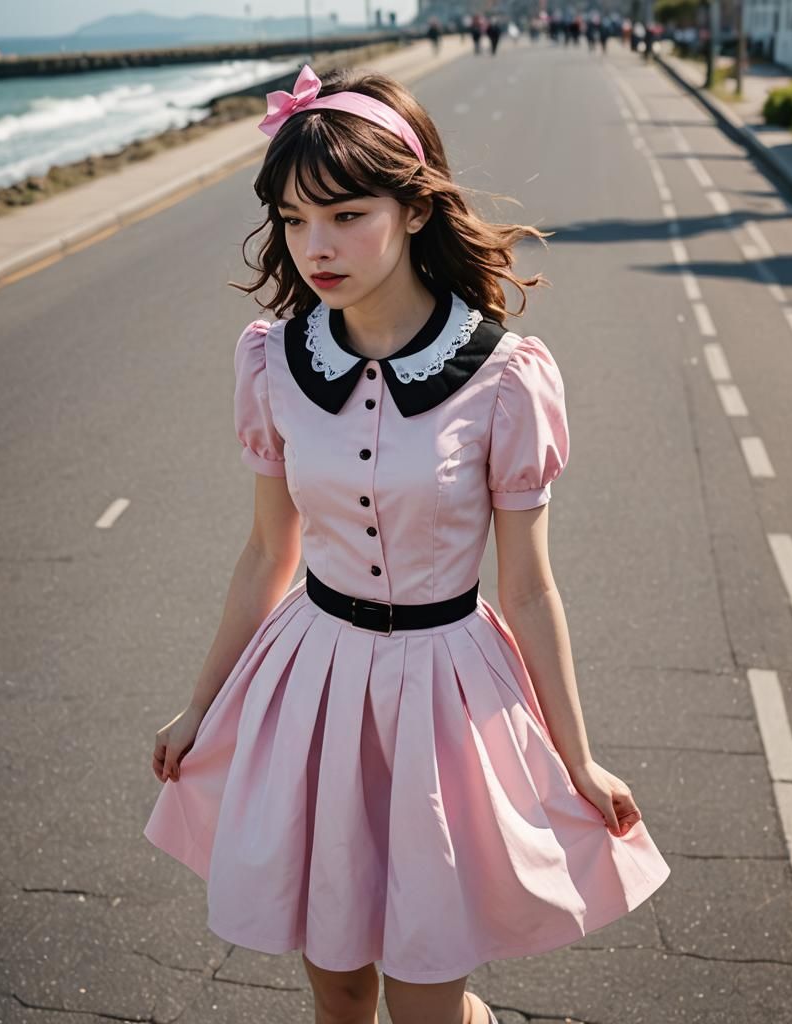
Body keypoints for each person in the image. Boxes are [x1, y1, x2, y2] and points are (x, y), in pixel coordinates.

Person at [144, 62, 671, 1024]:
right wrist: (198, 706)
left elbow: (531, 590)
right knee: (340, 989)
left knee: (429, 996)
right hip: (315, 686)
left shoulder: (506, 378)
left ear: (416, 210)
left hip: (445, 699)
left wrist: (579, 758)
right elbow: (268, 552)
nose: (316, 247)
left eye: (346, 215)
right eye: (296, 220)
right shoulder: (272, 360)